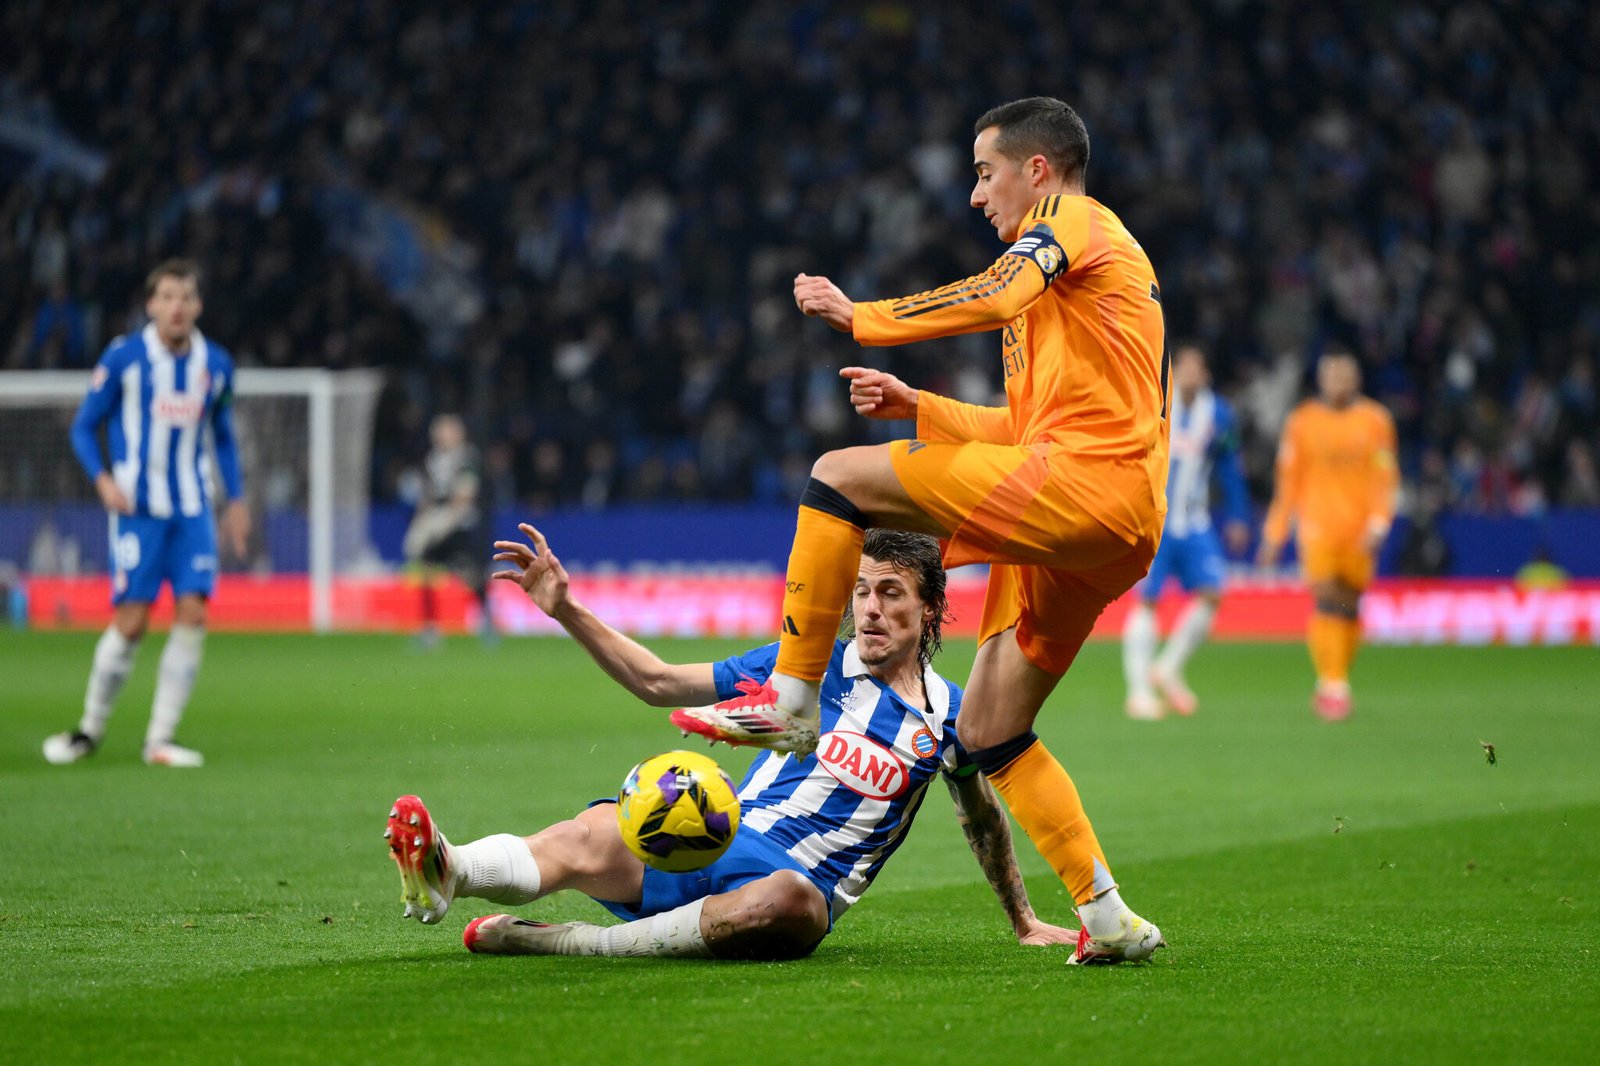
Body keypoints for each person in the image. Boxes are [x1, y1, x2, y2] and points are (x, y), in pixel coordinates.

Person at [672, 97, 1168, 962]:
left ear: (1036, 171)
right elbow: (1028, 429)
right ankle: (1106, 915)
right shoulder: (1070, 292)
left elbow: (1002, 288)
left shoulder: (1070, 222)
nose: (978, 196)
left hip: (1084, 489)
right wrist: (922, 409)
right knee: (988, 733)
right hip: (1109, 517)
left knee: (836, 479)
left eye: (986, 173)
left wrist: (867, 315)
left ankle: (792, 697)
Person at [386, 525, 1082, 961]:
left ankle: (573, 944)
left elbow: (982, 818)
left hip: (783, 894)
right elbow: (658, 681)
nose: (870, 608)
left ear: (929, 608)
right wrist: (566, 607)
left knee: (793, 901)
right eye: (861, 591)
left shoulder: (955, 718)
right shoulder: (803, 663)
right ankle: (449, 870)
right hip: (711, 835)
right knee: (595, 830)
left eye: (891, 592)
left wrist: (1023, 920)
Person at [43, 259, 249, 768]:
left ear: (198, 305)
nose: (177, 306)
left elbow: (221, 436)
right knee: (132, 621)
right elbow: (82, 426)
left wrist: (237, 499)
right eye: (167, 297)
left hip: (193, 507)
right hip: (138, 508)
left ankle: (159, 740)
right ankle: (88, 731)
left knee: (194, 612)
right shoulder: (124, 358)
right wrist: (104, 480)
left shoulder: (216, 364)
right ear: (151, 304)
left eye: (186, 297)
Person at [1258, 349, 1398, 720]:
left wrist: (1379, 522)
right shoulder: (1302, 422)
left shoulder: (1375, 420)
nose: (1337, 383)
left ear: (1356, 380)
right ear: (1321, 380)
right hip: (1317, 527)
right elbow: (1288, 481)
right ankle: (1332, 683)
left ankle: (1338, 677)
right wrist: (1276, 531)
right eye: (1331, 376)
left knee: (1349, 606)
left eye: (1344, 376)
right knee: (1326, 599)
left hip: (1359, 529)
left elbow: (1384, 475)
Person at [1121, 344, 1250, 720]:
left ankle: (1168, 668)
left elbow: (1228, 465)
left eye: (1197, 367)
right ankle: (1138, 691)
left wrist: (1239, 514)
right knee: (1147, 601)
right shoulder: (1154, 401)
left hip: (1194, 522)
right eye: (1185, 366)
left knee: (1212, 593)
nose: (1190, 373)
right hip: (1154, 520)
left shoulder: (1220, 414)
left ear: (1206, 373)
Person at [402, 413, 492, 647]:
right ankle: (430, 628)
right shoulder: (432, 460)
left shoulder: (467, 458)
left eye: (447, 430)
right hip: (436, 524)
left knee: (471, 574)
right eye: (439, 430)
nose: (442, 435)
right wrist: (421, 525)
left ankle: (485, 621)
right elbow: (427, 497)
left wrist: (443, 523)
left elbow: (465, 496)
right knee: (427, 571)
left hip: (459, 524)